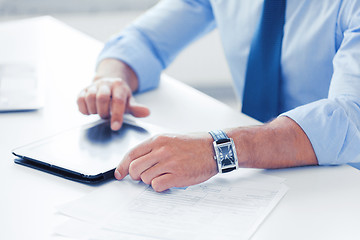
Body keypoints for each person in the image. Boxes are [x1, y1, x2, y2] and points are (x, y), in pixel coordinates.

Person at [77, 0, 360, 192]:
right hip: (257, 179)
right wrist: (111, 78)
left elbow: (351, 115)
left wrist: (217, 150)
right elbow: (145, 40)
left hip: (345, 183)